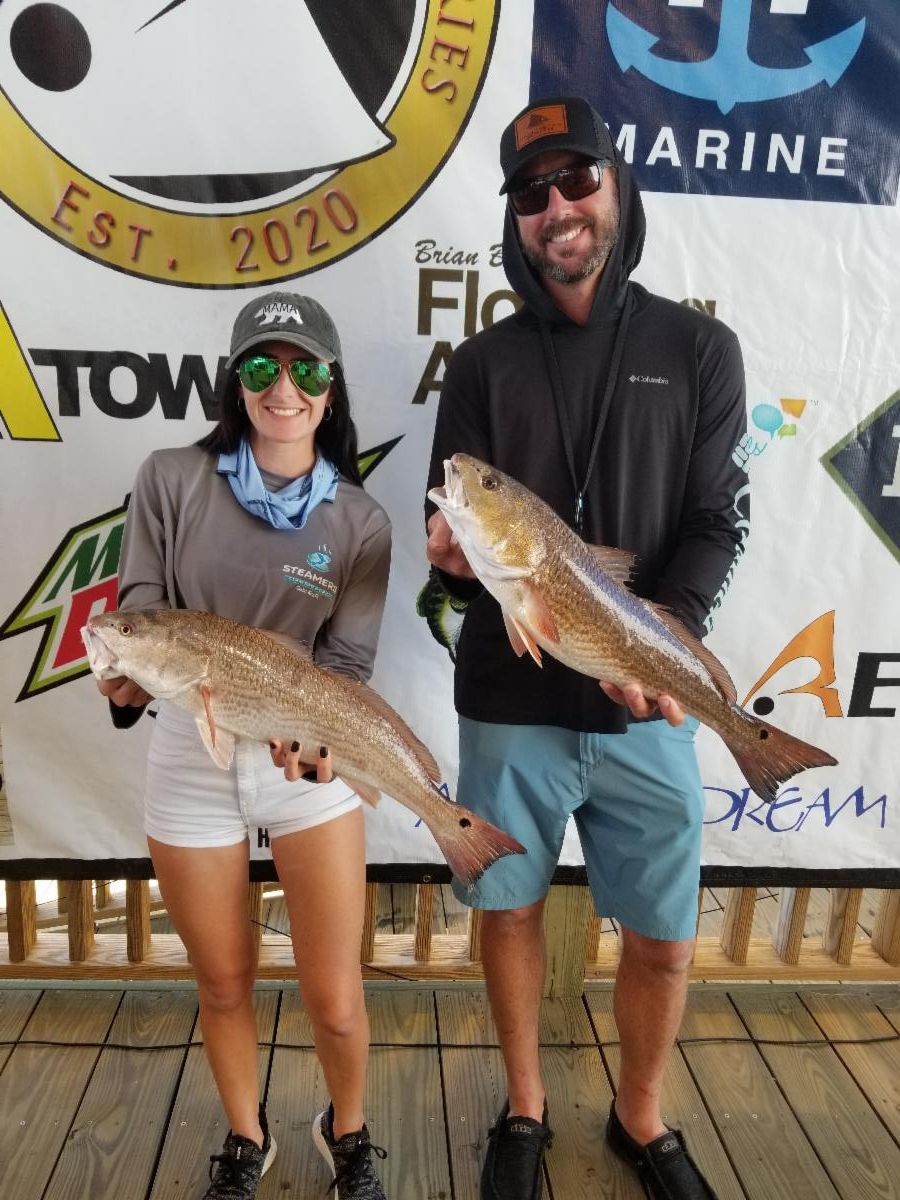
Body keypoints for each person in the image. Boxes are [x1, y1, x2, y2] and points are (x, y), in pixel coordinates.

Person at [425, 96, 748, 1200]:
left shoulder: (700, 349)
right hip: (507, 701)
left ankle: (640, 1113)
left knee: (664, 935)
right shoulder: (480, 365)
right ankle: (524, 1106)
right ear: (514, 216)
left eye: (577, 179)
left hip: (645, 698)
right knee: (507, 909)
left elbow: (717, 520)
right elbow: (454, 544)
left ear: (617, 186)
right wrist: (451, 561)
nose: (557, 207)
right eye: (532, 191)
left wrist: (667, 639)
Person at [98, 291, 392, 1200]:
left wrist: (322, 747)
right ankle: (245, 1136)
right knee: (223, 982)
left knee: (334, 995)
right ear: (236, 383)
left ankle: (349, 1133)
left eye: (305, 369)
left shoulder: (361, 521)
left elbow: (347, 667)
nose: (284, 388)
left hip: (303, 755)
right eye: (262, 367)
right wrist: (124, 677)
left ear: (331, 389)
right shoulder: (170, 478)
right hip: (192, 751)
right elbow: (139, 610)